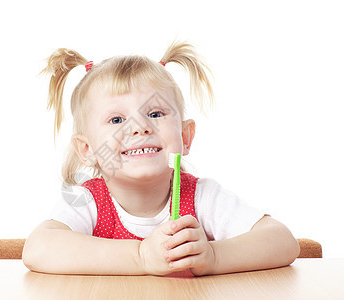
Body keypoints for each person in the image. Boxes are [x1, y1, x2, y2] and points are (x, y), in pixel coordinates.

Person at [22, 41, 300, 276]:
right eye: (116, 119)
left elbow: (283, 241)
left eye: (155, 114)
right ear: (87, 150)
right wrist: (141, 256)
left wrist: (214, 256)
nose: (140, 127)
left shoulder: (202, 197)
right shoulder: (88, 202)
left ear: (185, 136)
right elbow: (38, 248)